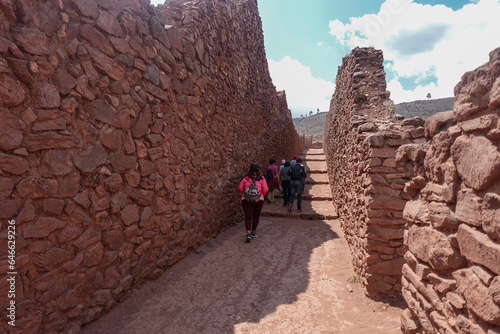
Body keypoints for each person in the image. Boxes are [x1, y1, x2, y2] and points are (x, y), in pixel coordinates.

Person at [238, 163, 268, 242]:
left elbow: (240, 188)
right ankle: (253, 232)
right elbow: (265, 189)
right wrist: (260, 195)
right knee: (256, 216)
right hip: (258, 200)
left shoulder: (245, 178)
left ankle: (248, 233)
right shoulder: (261, 178)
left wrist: (246, 194)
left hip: (246, 200)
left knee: (248, 216)